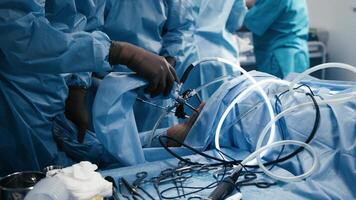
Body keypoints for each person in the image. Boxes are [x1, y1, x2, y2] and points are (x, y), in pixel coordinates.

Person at [0, 0, 177, 176]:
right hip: (18, 92)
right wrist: (119, 52)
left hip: (59, 86)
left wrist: (78, 87)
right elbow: (19, 35)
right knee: (32, 178)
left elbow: (87, 23)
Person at [243, 0, 309, 78]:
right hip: (298, 56)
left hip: (280, 59)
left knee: (278, 89)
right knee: (297, 88)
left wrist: (237, 6)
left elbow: (249, 22)